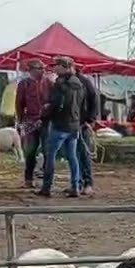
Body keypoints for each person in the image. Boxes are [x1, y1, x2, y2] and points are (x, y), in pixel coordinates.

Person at [39, 55, 84, 198]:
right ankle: (75, 186)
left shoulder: (60, 84)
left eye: (56, 65)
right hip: (74, 124)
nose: (54, 68)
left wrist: (46, 111)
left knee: (50, 155)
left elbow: (57, 103)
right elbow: (81, 104)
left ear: (63, 67)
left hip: (60, 124)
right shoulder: (78, 83)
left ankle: (46, 187)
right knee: (72, 156)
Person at [15, 58, 50, 188]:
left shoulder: (49, 83)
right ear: (31, 70)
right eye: (39, 69)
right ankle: (28, 179)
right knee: (30, 151)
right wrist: (21, 121)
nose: (42, 71)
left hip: (46, 121)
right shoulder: (24, 84)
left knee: (47, 151)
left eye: (43, 68)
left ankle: (47, 180)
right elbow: (19, 104)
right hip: (30, 121)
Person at [72, 63, 99, 196]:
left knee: (83, 153)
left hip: (82, 123)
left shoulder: (84, 82)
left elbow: (94, 100)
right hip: (71, 123)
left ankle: (88, 183)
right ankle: (77, 183)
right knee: (73, 155)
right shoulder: (63, 82)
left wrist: (90, 120)